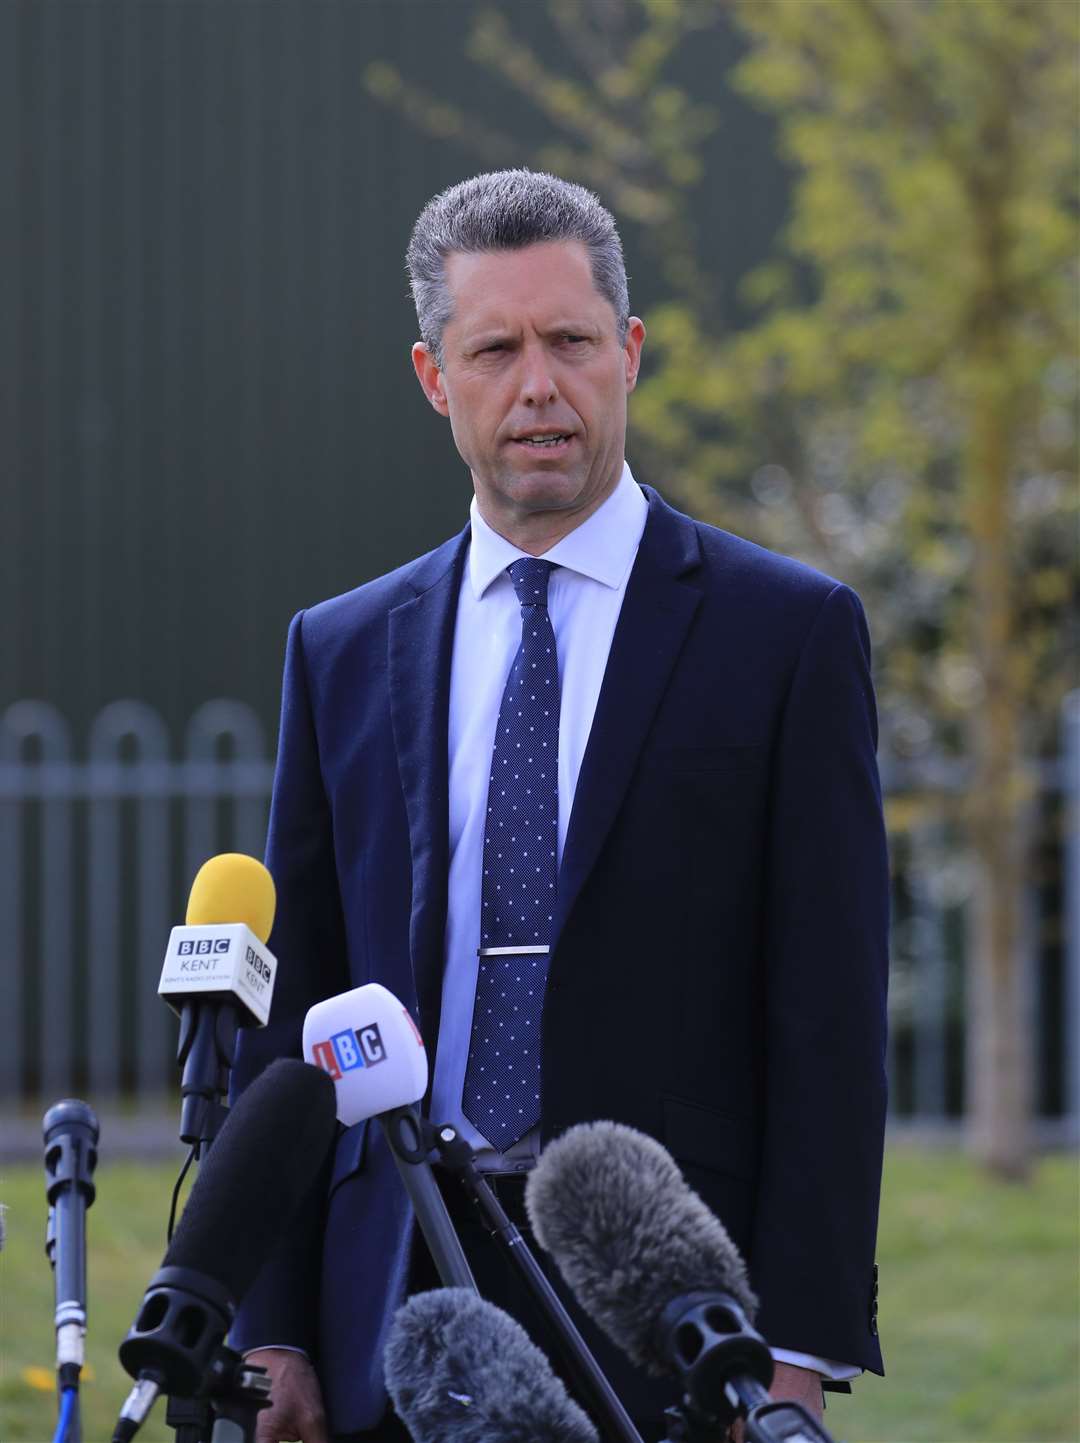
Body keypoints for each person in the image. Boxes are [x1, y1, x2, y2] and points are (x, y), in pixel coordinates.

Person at [231, 170, 889, 1443]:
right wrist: (274, 1323)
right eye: (496, 349)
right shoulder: (343, 648)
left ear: (629, 354)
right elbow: (297, 1010)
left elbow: (829, 1020)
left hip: (667, 1298)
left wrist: (795, 1351)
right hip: (395, 1282)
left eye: (572, 342)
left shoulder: (787, 635)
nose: (539, 385)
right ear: (435, 375)